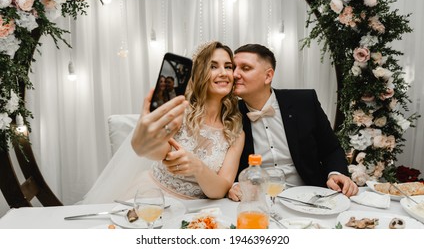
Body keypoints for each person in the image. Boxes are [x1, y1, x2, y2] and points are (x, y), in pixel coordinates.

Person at [81, 41, 244, 203]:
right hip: (153, 197)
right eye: (213, 66)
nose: (223, 73)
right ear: (199, 72)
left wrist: (198, 167)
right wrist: (146, 141)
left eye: (228, 66)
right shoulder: (179, 110)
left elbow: (221, 189)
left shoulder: (235, 131)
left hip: (199, 210)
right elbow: (158, 152)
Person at [227, 44, 358, 201]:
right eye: (233, 68)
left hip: (309, 196)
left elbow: (331, 149)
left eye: (245, 68)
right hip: (257, 200)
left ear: (268, 76)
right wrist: (233, 185)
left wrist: (336, 174)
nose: (234, 74)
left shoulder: (304, 102)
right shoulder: (228, 113)